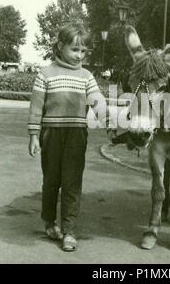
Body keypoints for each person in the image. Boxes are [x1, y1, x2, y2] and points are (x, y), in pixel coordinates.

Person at [28, 23, 116, 252]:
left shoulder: (87, 76)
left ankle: (69, 231)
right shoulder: (45, 74)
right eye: (74, 49)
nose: (79, 55)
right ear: (60, 47)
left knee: (72, 183)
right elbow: (36, 107)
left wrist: (109, 121)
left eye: (83, 51)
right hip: (51, 135)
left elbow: (97, 101)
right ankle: (49, 221)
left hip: (76, 135)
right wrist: (34, 135)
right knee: (51, 181)